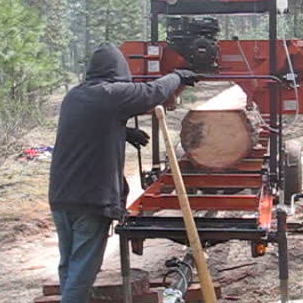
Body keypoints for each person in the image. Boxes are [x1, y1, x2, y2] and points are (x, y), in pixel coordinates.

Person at [48, 43, 198, 303]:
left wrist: (123, 132)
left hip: (62, 197)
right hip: (90, 199)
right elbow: (152, 92)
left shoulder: (76, 95)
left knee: (70, 264)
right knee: (84, 269)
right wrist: (178, 76)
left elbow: (87, 126)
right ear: (118, 70)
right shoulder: (111, 93)